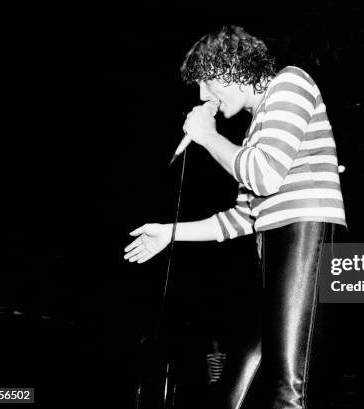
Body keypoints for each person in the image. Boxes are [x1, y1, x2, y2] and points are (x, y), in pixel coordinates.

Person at [124, 25, 346, 409]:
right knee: (233, 395)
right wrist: (170, 232)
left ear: (235, 69)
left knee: (288, 388)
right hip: (273, 249)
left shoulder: (289, 83)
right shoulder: (254, 132)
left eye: (207, 84)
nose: (202, 96)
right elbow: (242, 218)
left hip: (304, 238)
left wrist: (207, 136)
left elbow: (263, 173)